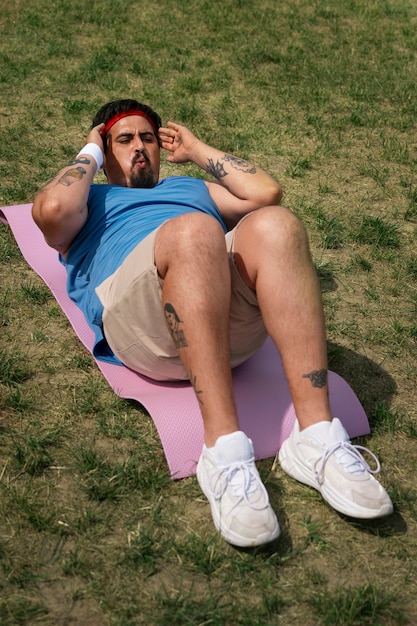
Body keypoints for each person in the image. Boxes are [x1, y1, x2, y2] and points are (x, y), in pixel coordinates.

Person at [32, 99, 393, 548]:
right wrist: (90, 149)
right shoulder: (91, 198)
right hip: (141, 326)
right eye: (124, 140)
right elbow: (50, 211)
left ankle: (317, 436)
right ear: (105, 153)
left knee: (277, 224)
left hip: (222, 326)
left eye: (147, 138)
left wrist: (198, 149)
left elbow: (265, 193)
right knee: (195, 231)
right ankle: (223, 451)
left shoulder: (192, 190)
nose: (139, 147)